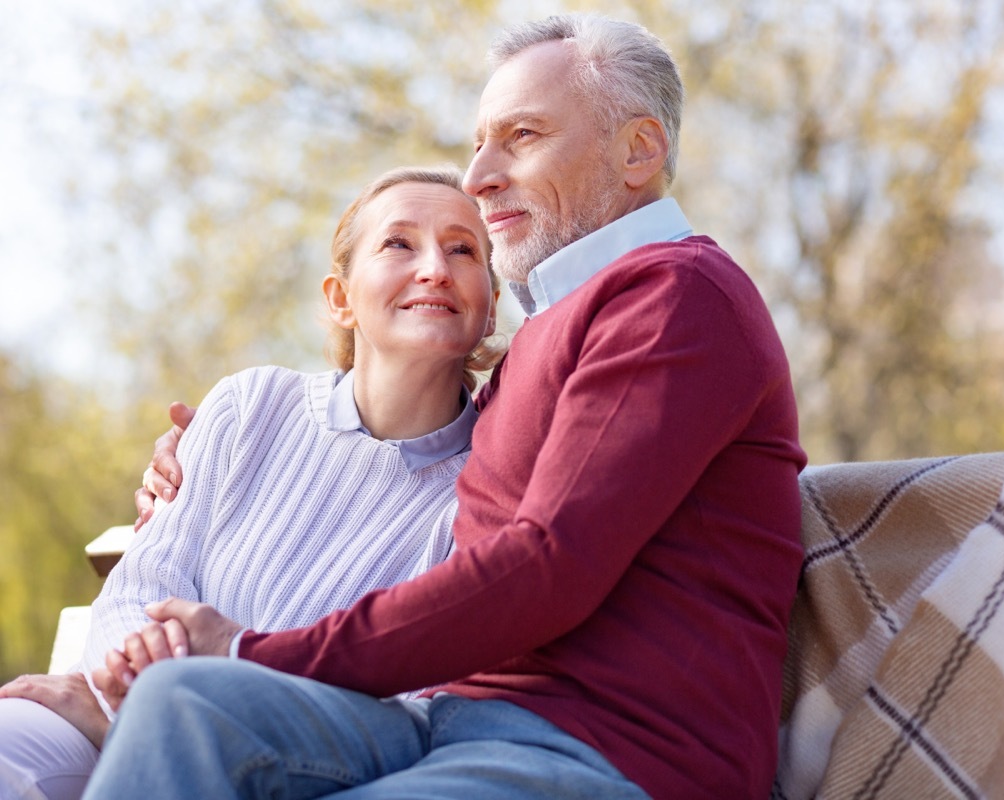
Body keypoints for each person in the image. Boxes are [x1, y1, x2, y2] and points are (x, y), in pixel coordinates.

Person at [84, 13, 806, 800]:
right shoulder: (548, 334)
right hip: (448, 730)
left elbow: (546, 565)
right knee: (181, 702)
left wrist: (249, 653)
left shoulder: (675, 296)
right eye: (479, 144)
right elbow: (411, 455)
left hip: (603, 757)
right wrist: (185, 463)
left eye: (520, 137)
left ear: (639, 151)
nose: (479, 176)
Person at [0, 165, 502, 800]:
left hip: (302, 764)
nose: (435, 267)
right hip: (116, 706)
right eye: (399, 243)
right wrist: (133, 707)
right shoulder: (252, 405)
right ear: (340, 298)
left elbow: (412, 696)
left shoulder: (491, 480)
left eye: (464, 249)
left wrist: (186, 719)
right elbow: (141, 588)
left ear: (488, 308)